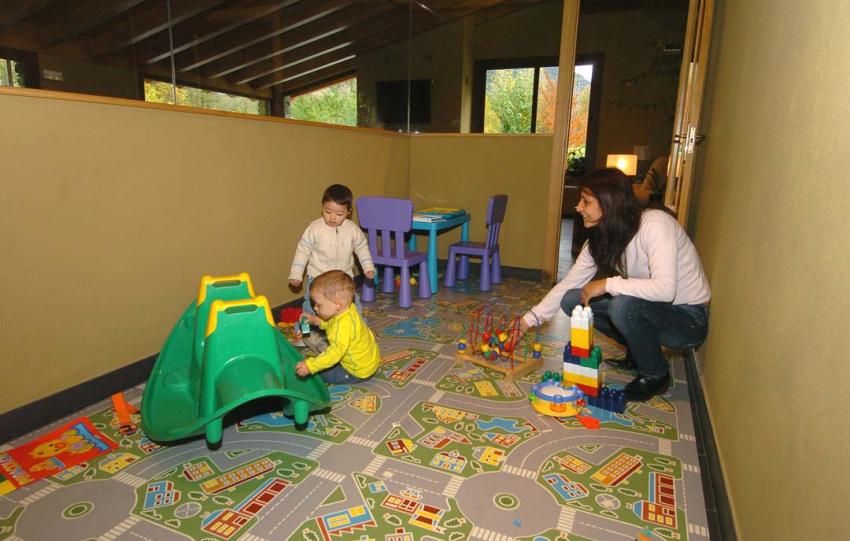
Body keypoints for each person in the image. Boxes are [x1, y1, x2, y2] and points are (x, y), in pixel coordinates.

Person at [521, 168, 711, 401]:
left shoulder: (655, 224)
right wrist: (527, 320)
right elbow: (567, 285)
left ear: (608, 204)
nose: (578, 207)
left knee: (621, 306)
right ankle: (638, 351)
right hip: (649, 308)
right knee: (572, 299)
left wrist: (607, 284)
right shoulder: (601, 238)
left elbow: (665, 289)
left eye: (586, 201)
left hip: (688, 318)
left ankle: (655, 375)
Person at [289, 184, 376, 351]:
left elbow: (362, 248)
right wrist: (296, 274)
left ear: (348, 212)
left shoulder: (352, 230)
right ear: (322, 207)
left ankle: (359, 333)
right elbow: (302, 251)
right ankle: (304, 335)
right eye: (327, 212)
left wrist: (368, 268)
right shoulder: (314, 229)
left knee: (353, 308)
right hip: (318, 278)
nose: (332, 218)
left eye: (339, 214)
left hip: (343, 280)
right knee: (310, 308)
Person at [295, 270, 381, 385]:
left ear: (337, 305)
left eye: (318, 304)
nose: (315, 308)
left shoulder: (343, 326)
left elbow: (334, 354)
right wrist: (316, 320)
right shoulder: (348, 310)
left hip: (357, 371)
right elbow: (332, 324)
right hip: (368, 361)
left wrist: (310, 366)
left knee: (319, 373)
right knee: (325, 350)